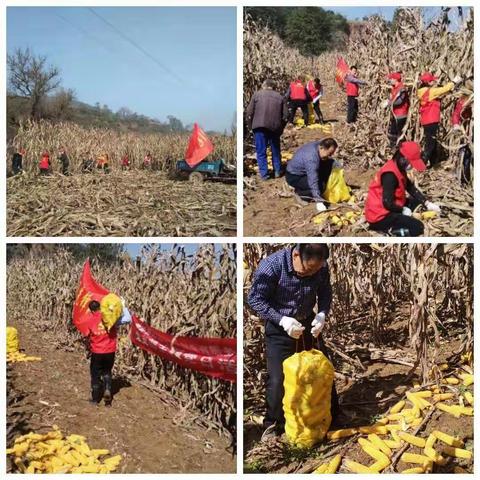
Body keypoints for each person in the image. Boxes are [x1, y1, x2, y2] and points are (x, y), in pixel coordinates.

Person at [247, 243, 339, 442]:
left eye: (316, 270)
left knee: (322, 369)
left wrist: (322, 314)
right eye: (308, 269)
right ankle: (274, 425)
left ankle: (331, 415)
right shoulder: (271, 266)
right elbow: (255, 299)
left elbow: (325, 291)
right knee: (278, 379)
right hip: (280, 328)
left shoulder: (320, 267)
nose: (311, 273)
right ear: (296, 255)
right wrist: (282, 320)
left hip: (308, 324)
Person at [365, 141, 441, 236]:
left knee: (418, 205)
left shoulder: (399, 168)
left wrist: (427, 203)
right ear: (402, 158)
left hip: (393, 204)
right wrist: (402, 210)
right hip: (380, 216)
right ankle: (390, 232)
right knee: (418, 227)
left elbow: (410, 187)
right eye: (411, 163)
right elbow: (387, 203)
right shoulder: (390, 175)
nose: (412, 166)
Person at [83, 300, 131, 406]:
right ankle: (107, 394)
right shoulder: (110, 317)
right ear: (100, 307)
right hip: (110, 351)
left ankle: (95, 399)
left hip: (97, 351)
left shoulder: (89, 320)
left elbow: (87, 336)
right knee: (107, 371)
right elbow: (128, 319)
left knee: (95, 374)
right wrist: (123, 305)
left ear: (91, 310)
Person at [246, 79, 289, 180]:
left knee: (261, 151)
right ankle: (277, 171)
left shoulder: (256, 95)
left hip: (259, 127)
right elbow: (286, 115)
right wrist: (281, 127)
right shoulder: (280, 97)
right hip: (275, 127)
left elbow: (249, 113)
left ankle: (264, 174)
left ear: (263, 86)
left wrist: (250, 126)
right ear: (274, 87)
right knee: (275, 150)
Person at [417, 72, 461, 167]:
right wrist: (454, 81)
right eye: (432, 80)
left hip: (426, 120)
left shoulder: (422, 91)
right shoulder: (431, 91)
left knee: (431, 141)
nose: (435, 81)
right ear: (428, 82)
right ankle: (421, 165)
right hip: (431, 120)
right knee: (430, 144)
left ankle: (433, 163)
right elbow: (444, 89)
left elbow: (441, 93)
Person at [285, 137, 338, 211]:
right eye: (329, 153)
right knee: (320, 187)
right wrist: (319, 201)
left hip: (303, 171)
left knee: (329, 163)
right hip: (294, 176)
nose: (330, 155)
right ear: (322, 148)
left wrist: (337, 166)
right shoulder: (311, 159)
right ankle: (300, 194)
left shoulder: (318, 146)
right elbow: (313, 180)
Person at [384, 72, 409, 147]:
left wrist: (389, 103)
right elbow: (392, 98)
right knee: (393, 132)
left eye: (391, 78)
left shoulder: (402, 89)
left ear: (395, 79)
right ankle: (393, 146)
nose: (390, 80)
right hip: (395, 114)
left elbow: (400, 101)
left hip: (401, 114)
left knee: (399, 133)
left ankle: (400, 148)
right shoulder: (394, 88)